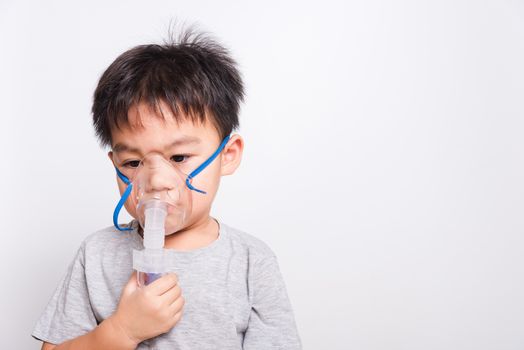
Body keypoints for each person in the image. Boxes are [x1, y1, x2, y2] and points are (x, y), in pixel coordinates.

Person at [31, 29, 302, 350]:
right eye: (132, 162)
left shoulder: (250, 262)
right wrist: (121, 332)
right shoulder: (96, 256)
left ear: (226, 156)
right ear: (114, 162)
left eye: (179, 157)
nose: (156, 180)